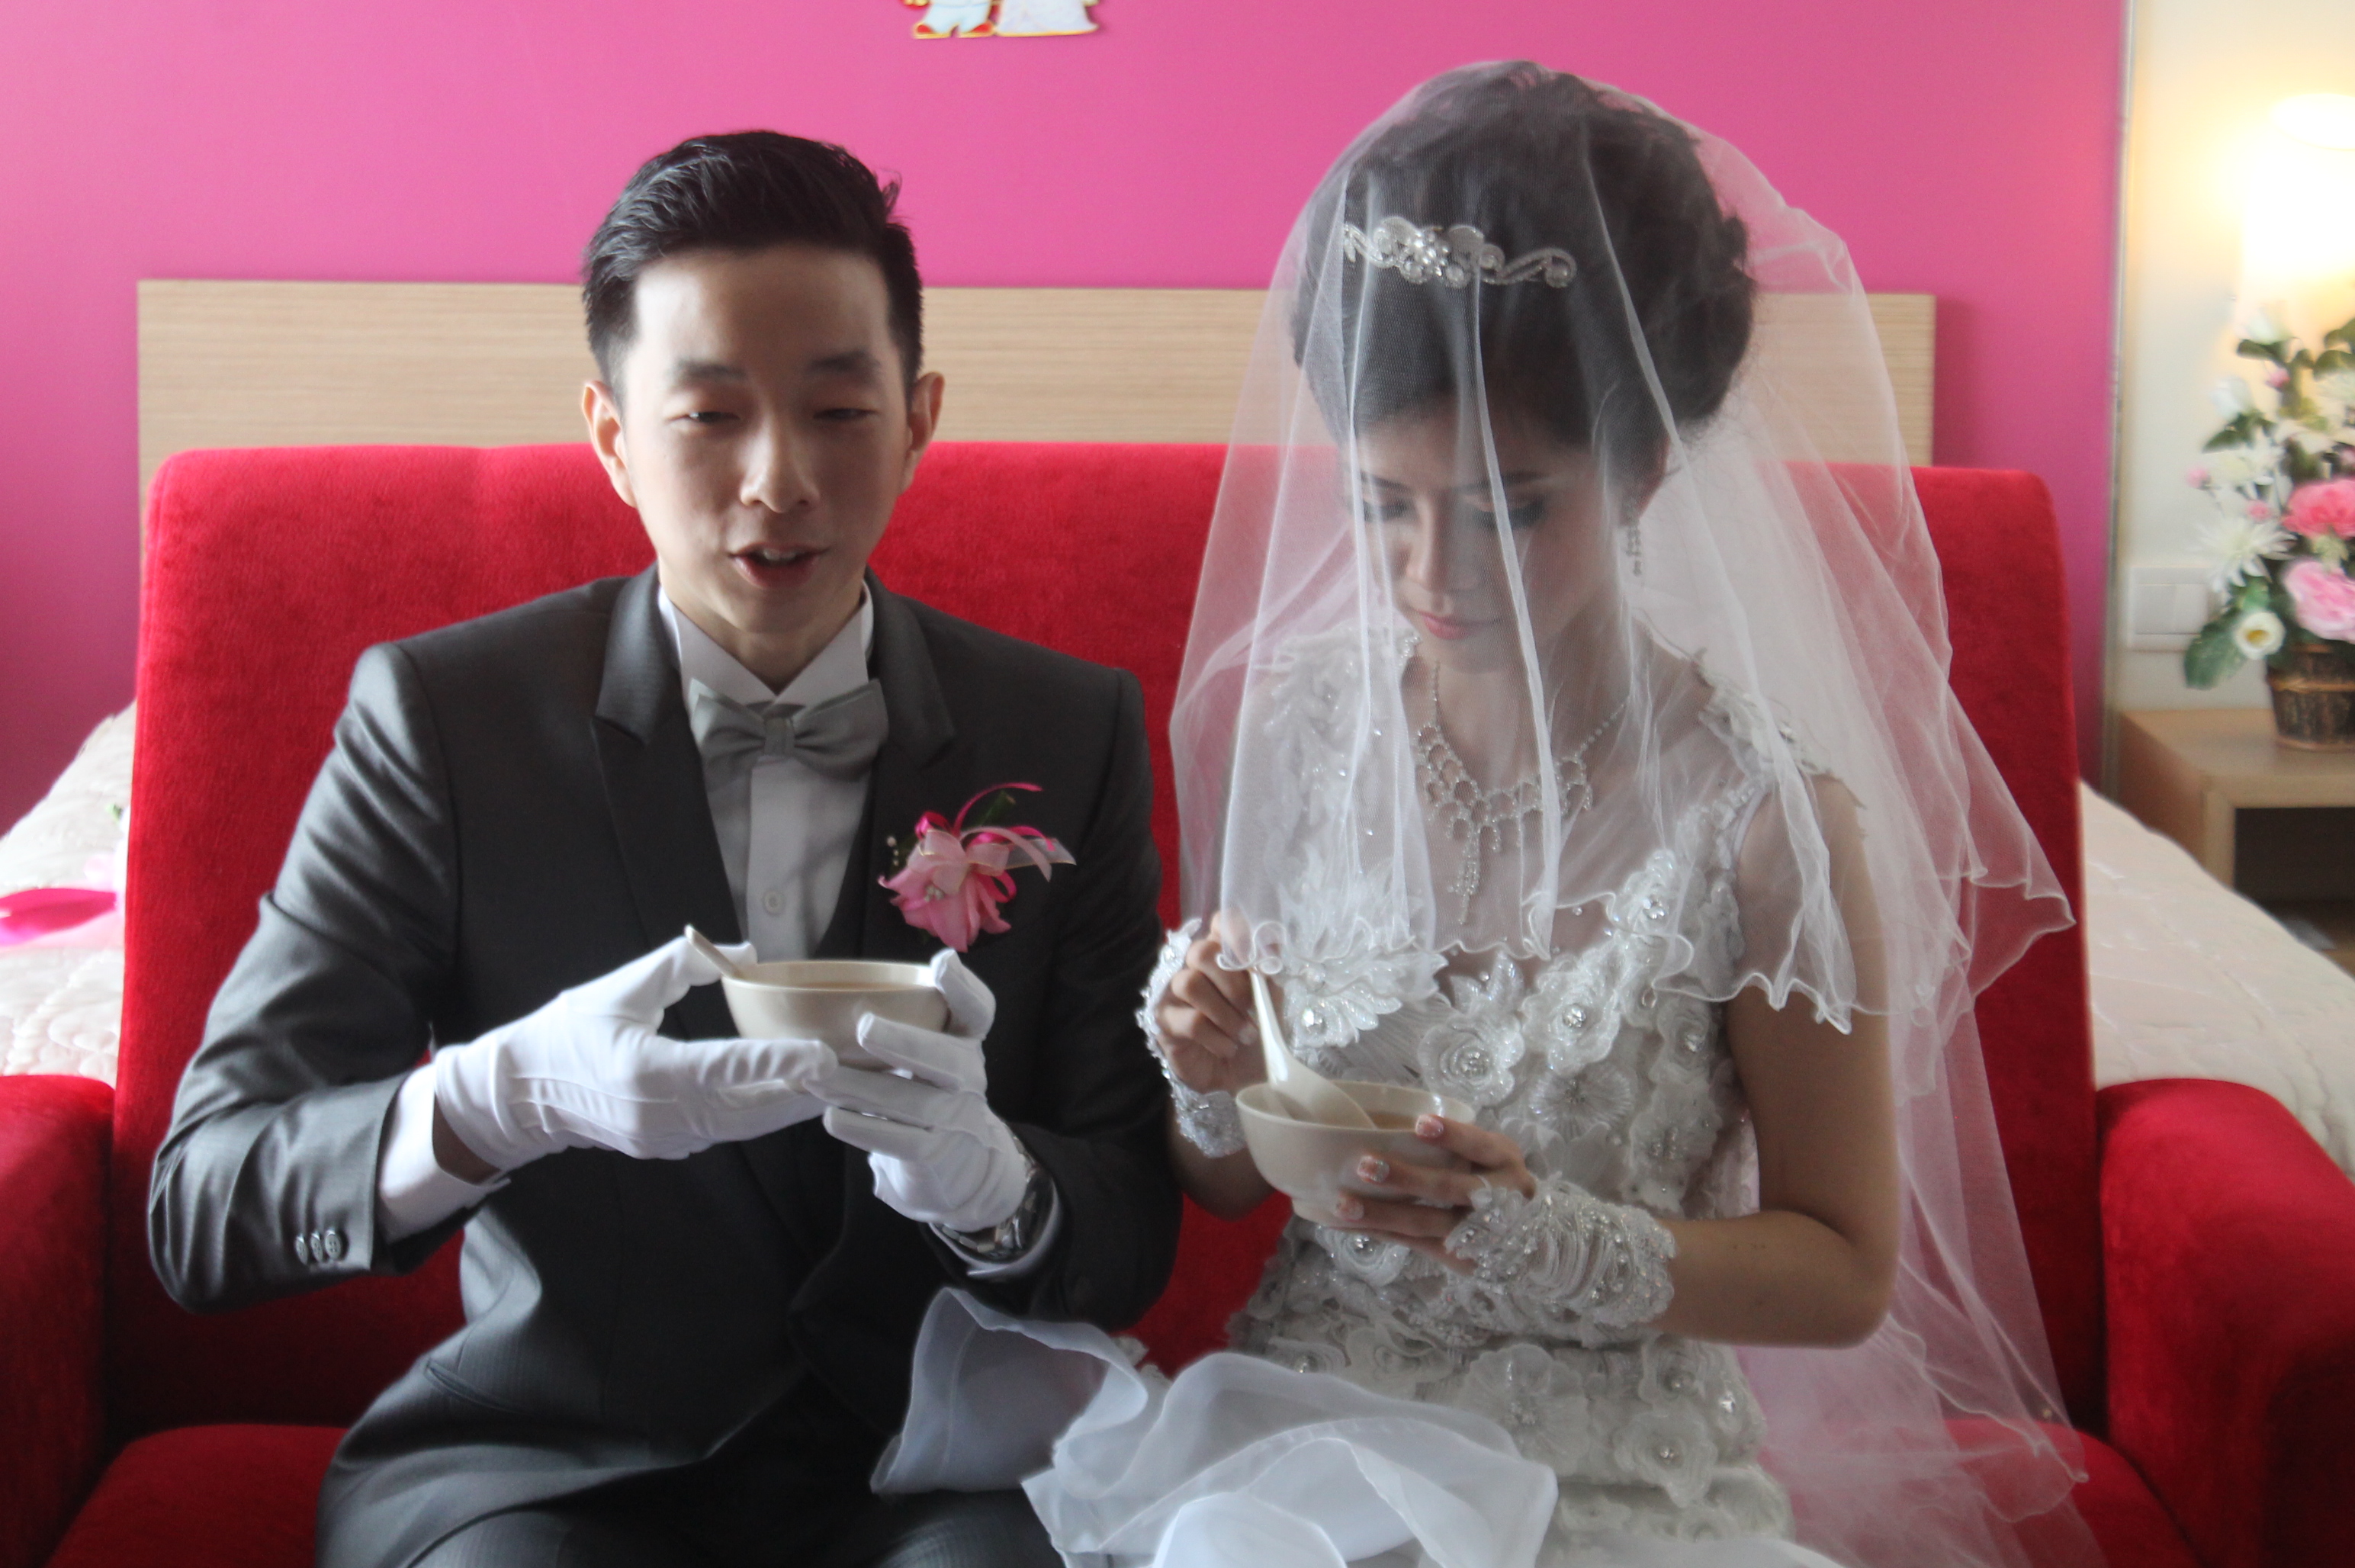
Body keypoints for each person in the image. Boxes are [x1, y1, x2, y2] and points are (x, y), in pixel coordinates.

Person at [890, 64, 2103, 1568]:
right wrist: (1221, 1069)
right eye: (1380, 505)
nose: (1432, 574)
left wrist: (1543, 1241)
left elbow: (1844, 1267)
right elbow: (1224, 1178)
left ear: (1644, 466)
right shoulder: (1307, 726)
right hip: (1302, 1447)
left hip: (1610, 1478)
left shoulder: (1761, 822)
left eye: (1507, 509)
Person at [147, 131, 1178, 1568]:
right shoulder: (445, 720)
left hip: (937, 1471)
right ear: (613, 438)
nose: (778, 480)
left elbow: (1131, 1220)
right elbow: (207, 1203)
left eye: (838, 410)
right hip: (552, 1469)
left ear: (919, 419)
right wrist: (496, 1102)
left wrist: (1000, 1193)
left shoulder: (1068, 731)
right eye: (708, 416)